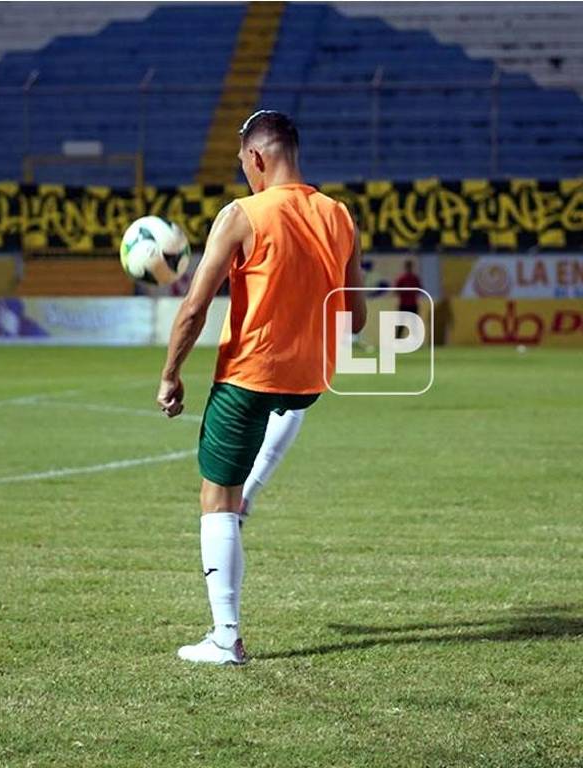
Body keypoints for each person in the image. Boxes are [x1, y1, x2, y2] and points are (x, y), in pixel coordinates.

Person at [157, 110, 366, 665]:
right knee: (283, 409)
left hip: (250, 374)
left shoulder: (241, 215)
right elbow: (358, 316)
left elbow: (195, 307)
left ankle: (226, 638)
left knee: (215, 497)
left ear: (256, 158)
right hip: (308, 380)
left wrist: (171, 373)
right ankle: (253, 488)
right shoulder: (340, 216)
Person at [394, 259, 423, 338]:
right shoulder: (402, 278)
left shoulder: (415, 278)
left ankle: (415, 341)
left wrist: (413, 291)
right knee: (401, 323)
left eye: (410, 266)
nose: (409, 268)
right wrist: (404, 290)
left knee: (414, 324)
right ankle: (397, 340)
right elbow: (396, 291)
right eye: (408, 266)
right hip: (404, 304)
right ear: (405, 267)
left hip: (413, 304)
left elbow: (420, 289)